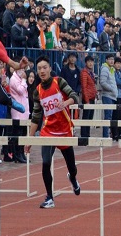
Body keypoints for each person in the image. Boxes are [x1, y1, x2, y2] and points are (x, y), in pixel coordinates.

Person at [24, 55, 81, 209]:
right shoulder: (37, 91)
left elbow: (75, 96)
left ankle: (73, 178)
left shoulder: (59, 81)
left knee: (72, 167)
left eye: (44, 68)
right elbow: (36, 117)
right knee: (46, 163)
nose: (42, 71)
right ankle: (49, 197)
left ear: (49, 68)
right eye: (39, 69)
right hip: (48, 131)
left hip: (64, 130)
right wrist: (29, 139)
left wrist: (65, 103)